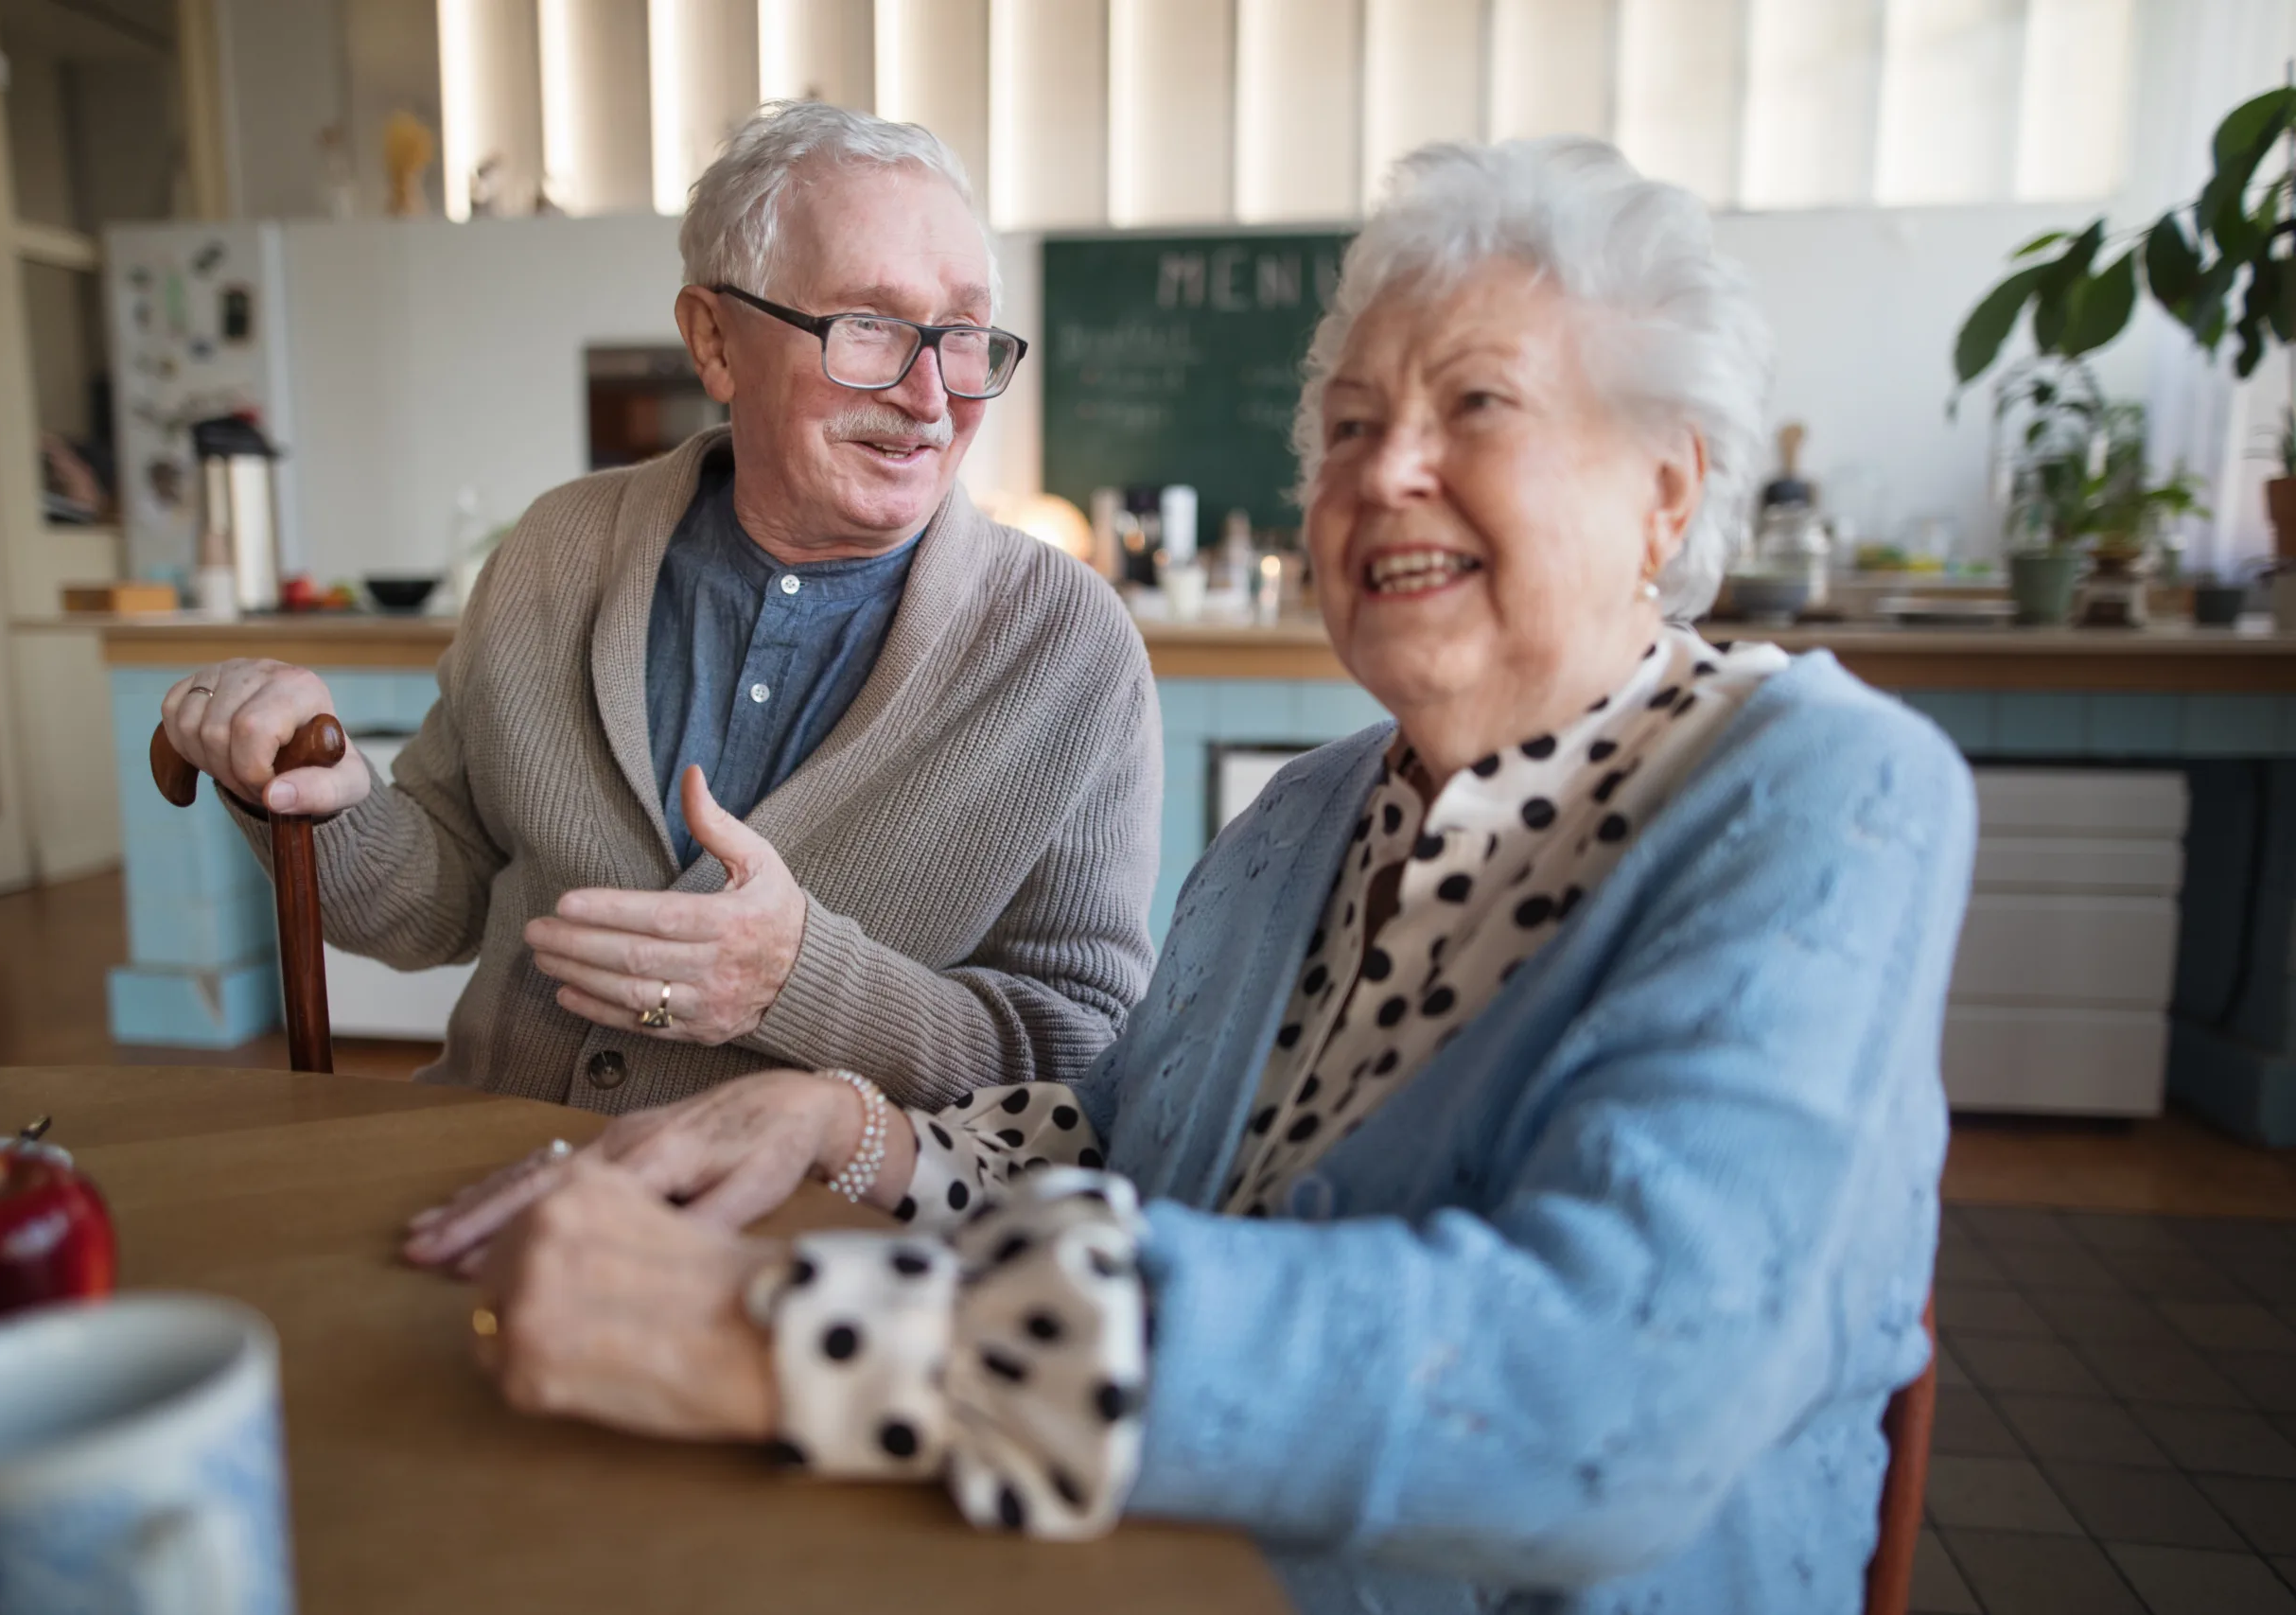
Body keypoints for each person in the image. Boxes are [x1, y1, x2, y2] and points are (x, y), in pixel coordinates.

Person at [409, 137, 1974, 1614]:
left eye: (1477, 407)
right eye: (1351, 426)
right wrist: (849, 1118)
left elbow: (1616, 1380)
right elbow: (1127, 1139)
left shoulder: (1816, 791)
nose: (1388, 472)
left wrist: (805, 1344)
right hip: (1161, 1557)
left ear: (1669, 488)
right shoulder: (1311, 812)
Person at [154, 103, 1160, 1112]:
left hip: (820, 1236)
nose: (932, 398)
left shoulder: (1070, 652)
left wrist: (796, 982)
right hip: (494, 1166)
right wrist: (324, 802)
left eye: (965, 335)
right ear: (713, 341)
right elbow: (436, 902)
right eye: (869, 326)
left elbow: (1084, 1057)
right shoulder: (558, 550)